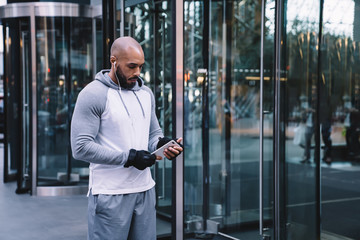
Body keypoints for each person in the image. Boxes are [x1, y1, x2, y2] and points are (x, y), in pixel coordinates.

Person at [70, 36, 183, 240]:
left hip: (145, 190)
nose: (137, 72)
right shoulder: (93, 94)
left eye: (140, 66)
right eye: (131, 66)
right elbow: (81, 147)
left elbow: (152, 134)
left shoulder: (145, 93)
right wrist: (129, 158)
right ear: (114, 61)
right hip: (110, 193)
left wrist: (162, 144)